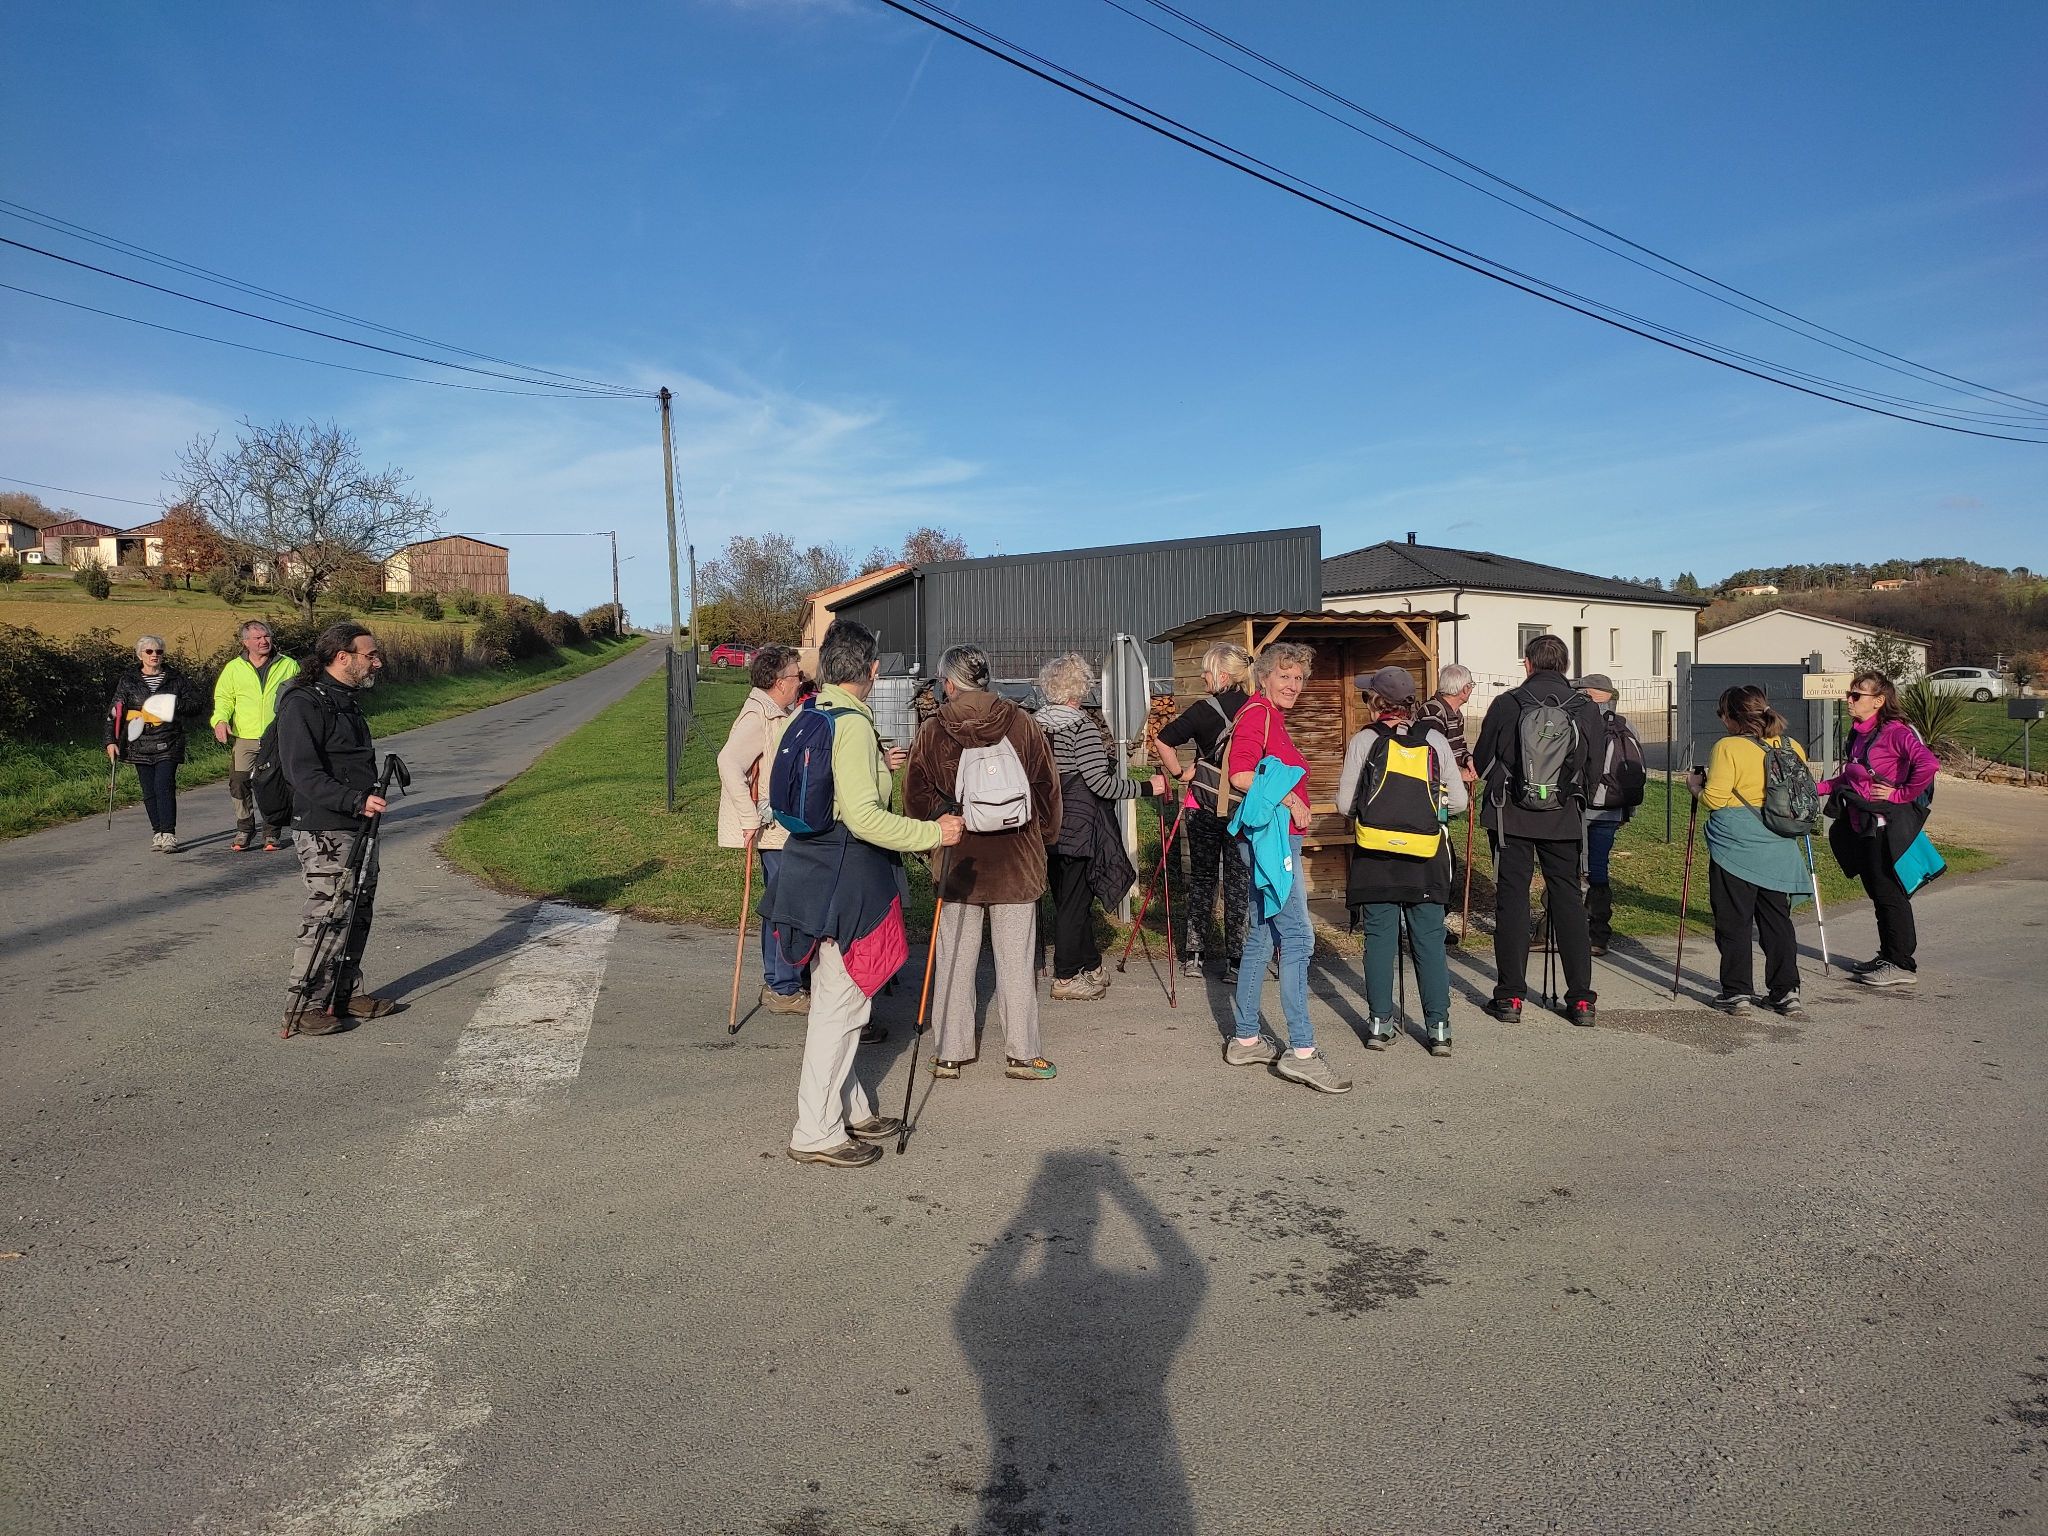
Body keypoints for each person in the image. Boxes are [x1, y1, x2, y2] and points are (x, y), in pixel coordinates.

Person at [767, 619, 963, 1169]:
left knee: (840, 1000)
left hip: (808, 869)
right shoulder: (851, 725)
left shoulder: (808, 713)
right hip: (846, 878)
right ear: (872, 670)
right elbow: (864, 817)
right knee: (841, 1006)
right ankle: (815, 1131)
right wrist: (933, 834)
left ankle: (849, 1108)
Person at [903, 643, 1061, 1080]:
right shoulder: (1023, 723)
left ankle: (950, 1054)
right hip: (1017, 860)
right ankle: (1023, 1054)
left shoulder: (933, 730)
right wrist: (1042, 841)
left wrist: (930, 841)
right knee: (1016, 962)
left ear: (949, 683)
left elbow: (916, 796)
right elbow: (1047, 789)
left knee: (954, 958)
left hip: (958, 861)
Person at [1224, 641, 1350, 1093]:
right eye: (1285, 676)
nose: (1293, 685)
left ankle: (1245, 1039)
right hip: (1272, 843)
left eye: (1299, 678)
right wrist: (1292, 798)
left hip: (1268, 841)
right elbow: (1241, 774)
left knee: (1261, 935)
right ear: (1263, 677)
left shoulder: (1268, 716)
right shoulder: (1257, 715)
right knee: (1297, 937)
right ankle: (1302, 1052)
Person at [1473, 633, 1602, 1025]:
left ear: (1528, 664)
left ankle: (1510, 997)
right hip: (1563, 817)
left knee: (1512, 900)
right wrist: (1572, 797)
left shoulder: (1507, 703)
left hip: (1510, 816)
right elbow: (1594, 769)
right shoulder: (1585, 707)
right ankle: (1581, 1001)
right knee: (1568, 901)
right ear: (1565, 666)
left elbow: (1482, 761)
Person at [1338, 665, 1468, 1054]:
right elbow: (1459, 802)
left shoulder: (1364, 740)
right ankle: (1439, 1030)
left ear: (1375, 702)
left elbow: (1345, 804)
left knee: (1379, 939)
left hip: (1376, 855)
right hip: (1425, 856)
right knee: (1429, 940)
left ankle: (1380, 1025)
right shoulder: (1434, 740)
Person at [276, 622, 398, 1035]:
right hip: (324, 826)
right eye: (371, 655)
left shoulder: (345, 700)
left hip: (358, 824)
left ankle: (343, 994)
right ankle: (303, 1007)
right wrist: (354, 800)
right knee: (328, 914)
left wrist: (363, 803)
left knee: (356, 910)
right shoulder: (303, 703)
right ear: (342, 657)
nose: (377, 662)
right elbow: (301, 773)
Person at [1036, 653, 1162, 1001]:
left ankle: (1090, 966)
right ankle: (1065, 978)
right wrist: (1146, 787)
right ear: (1080, 688)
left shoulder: (1034, 725)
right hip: (1079, 827)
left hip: (1044, 824)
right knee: (1075, 904)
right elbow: (1100, 784)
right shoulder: (1082, 727)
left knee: (1068, 900)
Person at [1686, 686, 1813, 1018]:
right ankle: (1786, 992)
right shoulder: (1791, 745)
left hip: (1736, 845)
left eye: (1722, 713)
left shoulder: (1727, 747)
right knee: (1777, 921)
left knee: (1734, 921)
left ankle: (1737, 992)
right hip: (1780, 844)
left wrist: (1694, 787)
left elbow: (1715, 798)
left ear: (1732, 716)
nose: (1721, 720)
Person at [1815, 669, 1941, 988]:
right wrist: (1818, 788)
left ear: (1879, 701)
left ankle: (1901, 963)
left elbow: (1928, 764)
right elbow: (1851, 777)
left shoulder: (1895, 732)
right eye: (1849, 694)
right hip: (1864, 824)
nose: (1849, 700)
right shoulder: (1859, 734)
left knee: (1889, 893)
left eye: (1857, 695)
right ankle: (1887, 955)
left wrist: (1900, 794)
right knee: (1877, 892)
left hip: (1886, 826)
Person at [1151, 641, 1252, 980]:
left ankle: (1194, 955)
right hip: (1244, 807)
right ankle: (1237, 961)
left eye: (1207, 672)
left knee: (1203, 879)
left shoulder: (1202, 710)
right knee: (1238, 883)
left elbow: (1162, 740)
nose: (1203, 677)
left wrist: (1181, 774)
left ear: (1222, 676)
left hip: (1202, 803)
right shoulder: (1256, 709)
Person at [716, 643, 806, 1015]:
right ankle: (783, 987)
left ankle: (782, 981)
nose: (801, 681)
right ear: (780, 682)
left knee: (782, 905)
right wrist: (750, 818)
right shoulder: (758, 716)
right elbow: (728, 762)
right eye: (797, 675)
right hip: (774, 831)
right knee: (784, 908)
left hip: (785, 829)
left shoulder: (778, 712)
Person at [211, 619, 301, 851]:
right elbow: (224, 698)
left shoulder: (288, 665)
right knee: (239, 780)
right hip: (246, 736)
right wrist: (220, 720)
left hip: (278, 735)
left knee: (273, 782)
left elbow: (299, 697)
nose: (264, 641)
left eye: (267, 636)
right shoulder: (234, 668)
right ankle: (245, 827)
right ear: (246, 642)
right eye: (258, 638)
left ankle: (272, 830)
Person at [105, 634, 199, 853]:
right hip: (138, 741)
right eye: (149, 651)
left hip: (169, 739)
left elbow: (195, 705)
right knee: (148, 789)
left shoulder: (176, 678)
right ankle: (158, 832)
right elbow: (115, 712)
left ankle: (169, 834)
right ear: (140, 655)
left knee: (163, 785)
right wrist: (110, 740)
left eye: (158, 651)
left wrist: (171, 705)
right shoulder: (128, 680)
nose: (154, 655)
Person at [1573, 672, 1644, 956]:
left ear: (1588, 694)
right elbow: (1633, 772)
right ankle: (1599, 936)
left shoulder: (1580, 722)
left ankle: (1566, 931)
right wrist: (1628, 810)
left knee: (1574, 869)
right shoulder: (1627, 725)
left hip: (1581, 807)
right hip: (1612, 810)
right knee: (1599, 868)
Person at [1416, 663, 1479, 942]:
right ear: (1463, 689)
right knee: (1440, 862)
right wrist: (1458, 773)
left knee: (1445, 861)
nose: (1471, 690)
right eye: (1471, 685)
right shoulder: (1433, 713)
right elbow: (1429, 755)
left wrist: (1468, 760)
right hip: (1429, 797)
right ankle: (1430, 925)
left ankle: (1434, 924)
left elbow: (1458, 746)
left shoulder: (1455, 713)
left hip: (1443, 796)